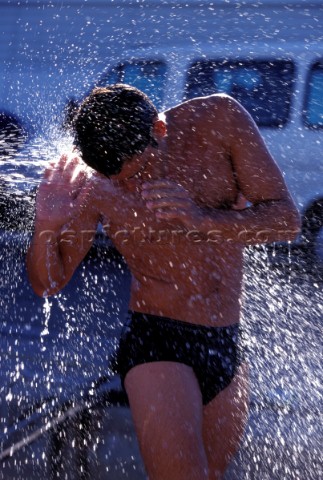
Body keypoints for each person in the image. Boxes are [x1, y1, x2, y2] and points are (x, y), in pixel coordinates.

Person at [27, 84, 300, 480]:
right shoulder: (90, 180)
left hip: (225, 340)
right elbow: (47, 283)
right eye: (117, 180)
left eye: (137, 172)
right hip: (158, 340)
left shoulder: (219, 121)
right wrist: (46, 227)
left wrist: (201, 220)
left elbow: (286, 221)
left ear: (159, 129)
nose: (131, 187)